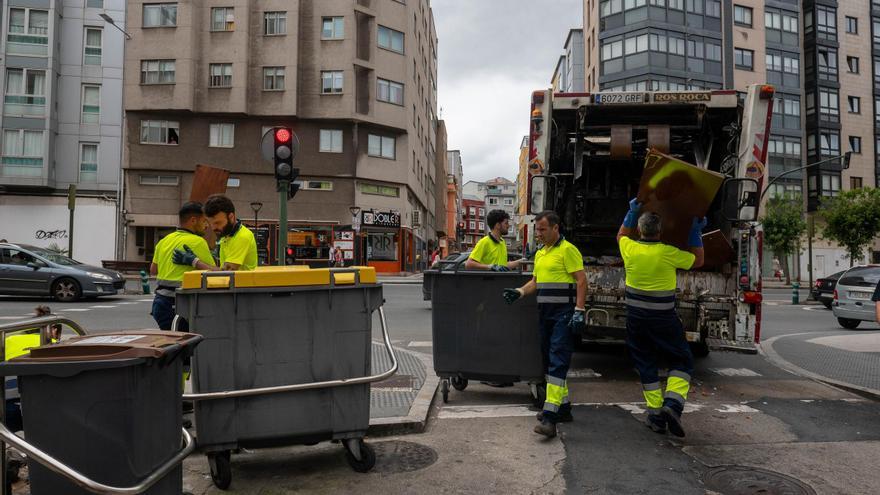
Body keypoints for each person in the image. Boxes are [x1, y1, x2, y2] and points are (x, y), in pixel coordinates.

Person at [616, 199, 705, 438]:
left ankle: (656, 416)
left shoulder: (630, 248)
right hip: (663, 318)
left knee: (645, 363)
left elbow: (621, 235)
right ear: (660, 232)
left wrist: (631, 212)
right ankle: (673, 406)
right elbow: (698, 261)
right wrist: (696, 233)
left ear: (640, 231)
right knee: (682, 360)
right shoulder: (669, 253)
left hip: (636, 319)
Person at [502, 211, 587, 438]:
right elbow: (536, 282)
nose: (538, 233)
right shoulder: (541, 254)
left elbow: (581, 279)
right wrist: (519, 292)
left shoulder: (568, 250)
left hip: (564, 314)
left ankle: (550, 417)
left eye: (542, 229)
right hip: (545, 313)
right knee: (550, 360)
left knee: (558, 360)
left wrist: (579, 310)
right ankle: (564, 407)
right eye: (537, 229)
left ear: (556, 228)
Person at [150, 202, 216, 330]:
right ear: (193, 220)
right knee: (186, 346)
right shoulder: (198, 242)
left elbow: (153, 270)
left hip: (160, 303)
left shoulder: (164, 240)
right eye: (204, 221)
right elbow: (215, 273)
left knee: (171, 344)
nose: (207, 226)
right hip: (180, 305)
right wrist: (195, 262)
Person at [173, 194, 258, 272]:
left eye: (218, 223)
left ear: (231, 217)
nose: (213, 228)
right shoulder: (227, 235)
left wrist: (195, 262)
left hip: (243, 287)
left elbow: (227, 273)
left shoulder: (241, 237)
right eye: (211, 223)